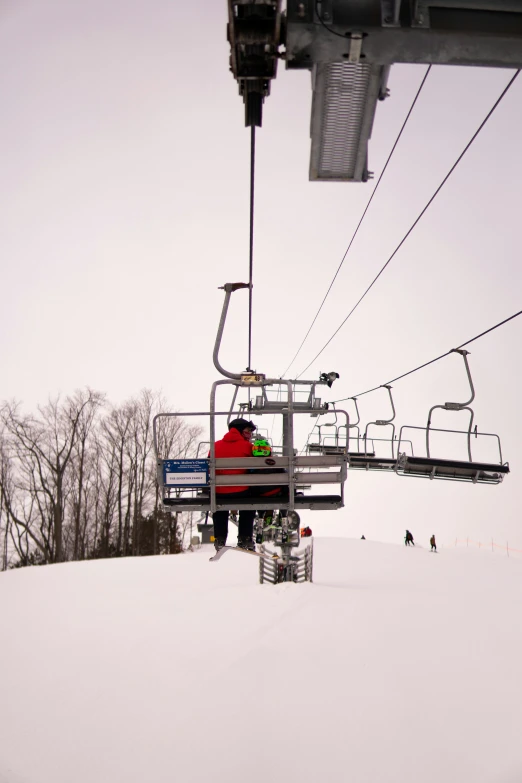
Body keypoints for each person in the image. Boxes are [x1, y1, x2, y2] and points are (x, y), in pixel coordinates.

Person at [212, 418, 257, 551]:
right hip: (242, 492)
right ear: (240, 431)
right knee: (250, 503)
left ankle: (219, 538)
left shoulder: (215, 446)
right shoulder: (248, 447)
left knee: (218, 505)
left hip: (219, 492)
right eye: (248, 431)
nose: (249, 434)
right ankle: (245, 537)